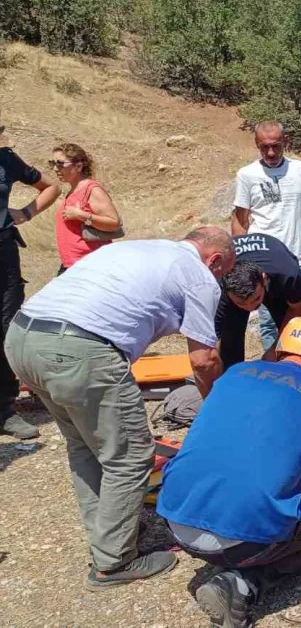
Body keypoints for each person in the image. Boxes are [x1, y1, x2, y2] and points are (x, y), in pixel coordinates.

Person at [4, 226, 230, 588]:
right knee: (130, 455)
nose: (219, 278)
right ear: (215, 259)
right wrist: (221, 413)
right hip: (78, 348)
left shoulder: (144, 247)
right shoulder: (200, 275)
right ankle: (113, 562)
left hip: (22, 338)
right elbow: (204, 360)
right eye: (222, 270)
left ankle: (110, 533)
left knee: (85, 445)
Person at [157, 317, 301, 628]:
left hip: (173, 517)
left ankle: (236, 567)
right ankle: (244, 583)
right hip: (242, 542)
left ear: (279, 349)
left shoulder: (235, 372)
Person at [232, 121, 301, 350]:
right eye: (264, 147)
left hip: (297, 257)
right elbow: (240, 219)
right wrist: (241, 262)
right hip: (261, 263)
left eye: (276, 146)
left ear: (286, 142)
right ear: (256, 145)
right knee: (268, 322)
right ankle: (271, 371)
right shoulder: (247, 175)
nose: (271, 152)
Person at [0, 108, 62, 439]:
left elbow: (49, 188)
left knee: (7, 328)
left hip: (4, 253)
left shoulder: (7, 159)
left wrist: (24, 213)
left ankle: (5, 410)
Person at [216, 233, 301, 369]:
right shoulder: (216, 283)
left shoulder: (287, 273)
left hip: (275, 278)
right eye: (242, 303)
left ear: (264, 279)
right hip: (236, 283)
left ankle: (289, 374)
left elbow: (298, 311)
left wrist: (274, 350)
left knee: (294, 335)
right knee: (229, 342)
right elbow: (213, 339)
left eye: (256, 299)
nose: (250, 308)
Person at [51, 143, 122, 274]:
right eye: (52, 163)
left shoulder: (92, 189)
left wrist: (81, 215)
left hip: (91, 264)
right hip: (73, 264)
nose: (55, 168)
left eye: (60, 164)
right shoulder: (73, 190)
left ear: (78, 166)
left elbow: (114, 224)